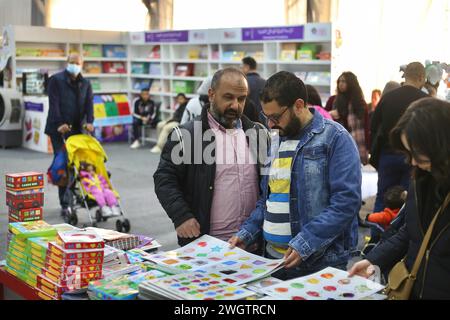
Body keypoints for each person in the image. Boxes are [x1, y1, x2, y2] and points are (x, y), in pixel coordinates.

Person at [229, 71, 362, 279]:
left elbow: (346, 203)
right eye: (266, 117)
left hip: (317, 264)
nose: (270, 124)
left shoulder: (335, 138)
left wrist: (305, 243)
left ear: (298, 105)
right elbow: (267, 200)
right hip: (272, 262)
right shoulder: (275, 141)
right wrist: (246, 233)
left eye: (275, 117)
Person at [153, 67, 269, 247]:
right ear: (211, 94)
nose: (235, 105)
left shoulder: (258, 133)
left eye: (241, 99)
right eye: (228, 97)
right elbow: (164, 179)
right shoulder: (187, 135)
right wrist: (181, 216)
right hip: (206, 244)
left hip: (252, 243)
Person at [349, 98, 450, 300]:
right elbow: (410, 233)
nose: (412, 162)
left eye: (419, 154)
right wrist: (373, 259)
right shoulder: (421, 179)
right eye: (409, 153)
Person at [370, 62, 428, 212]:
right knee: (407, 200)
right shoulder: (425, 100)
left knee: (383, 196)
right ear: (421, 77)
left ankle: (377, 234)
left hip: (387, 155)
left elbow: (374, 126)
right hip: (413, 157)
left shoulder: (388, 97)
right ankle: (400, 234)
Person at [45, 53, 94, 217]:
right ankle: (65, 203)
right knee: (64, 163)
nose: (74, 65)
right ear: (67, 63)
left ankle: (78, 196)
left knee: (80, 163)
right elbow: (54, 104)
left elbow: (89, 104)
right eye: (71, 62)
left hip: (77, 130)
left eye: (77, 62)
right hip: (58, 129)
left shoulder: (85, 83)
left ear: (82, 64)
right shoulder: (56, 80)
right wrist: (60, 123)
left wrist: (90, 121)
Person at [328, 72, 370, 164]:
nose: (341, 84)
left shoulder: (360, 103)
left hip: (355, 142)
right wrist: (330, 114)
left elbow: (366, 127)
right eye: (339, 81)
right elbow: (323, 118)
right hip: (336, 142)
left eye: (344, 81)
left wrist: (367, 147)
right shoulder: (333, 100)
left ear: (351, 84)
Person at [241, 56, 266, 123]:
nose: (241, 69)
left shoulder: (242, 82)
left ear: (247, 67)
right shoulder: (265, 82)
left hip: (248, 119)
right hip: (263, 119)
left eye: (242, 67)